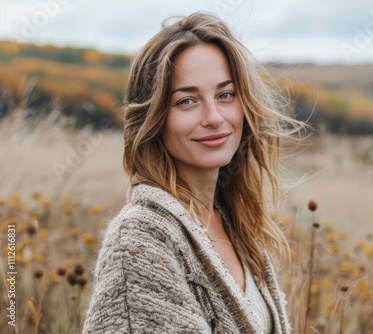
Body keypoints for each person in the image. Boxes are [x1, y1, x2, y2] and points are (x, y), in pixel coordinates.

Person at [83, 12, 303, 334]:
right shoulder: (140, 240)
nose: (214, 117)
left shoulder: (232, 222)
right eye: (187, 101)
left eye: (225, 95)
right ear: (154, 118)